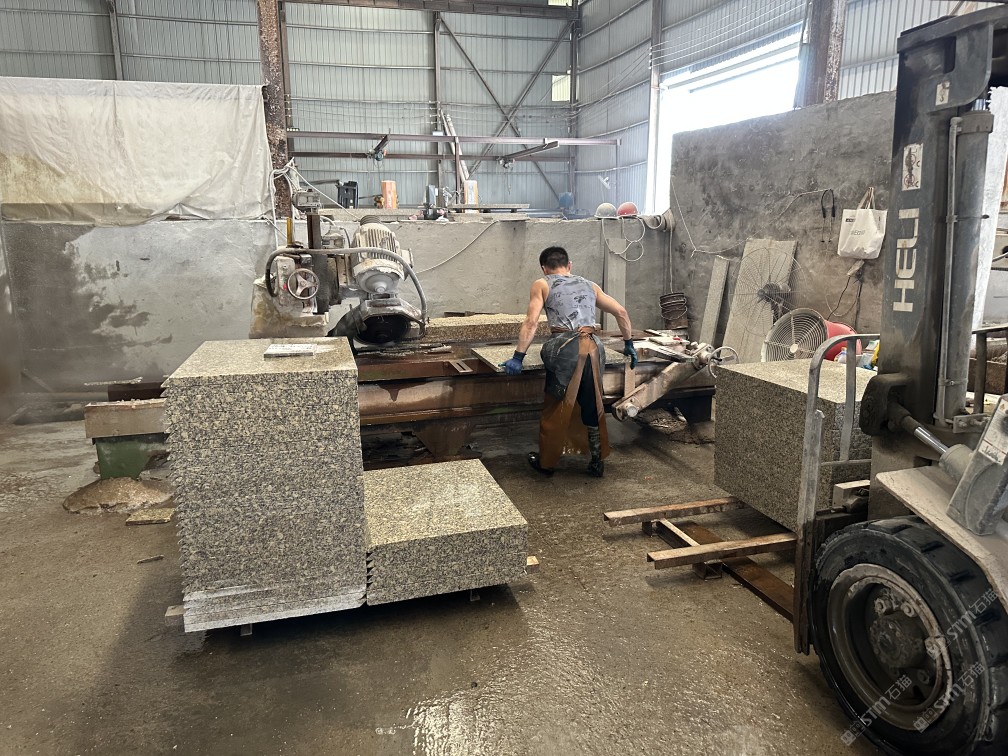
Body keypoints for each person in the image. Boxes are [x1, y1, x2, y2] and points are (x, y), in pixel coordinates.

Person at [501, 246, 637, 477]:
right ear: (569, 265)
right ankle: (597, 462)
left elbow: (531, 322)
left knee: (556, 405)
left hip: (564, 349)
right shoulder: (590, 285)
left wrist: (518, 356)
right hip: (594, 347)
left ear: (544, 268)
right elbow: (621, 312)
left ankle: (547, 464)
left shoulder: (542, 284)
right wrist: (629, 343)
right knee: (593, 404)